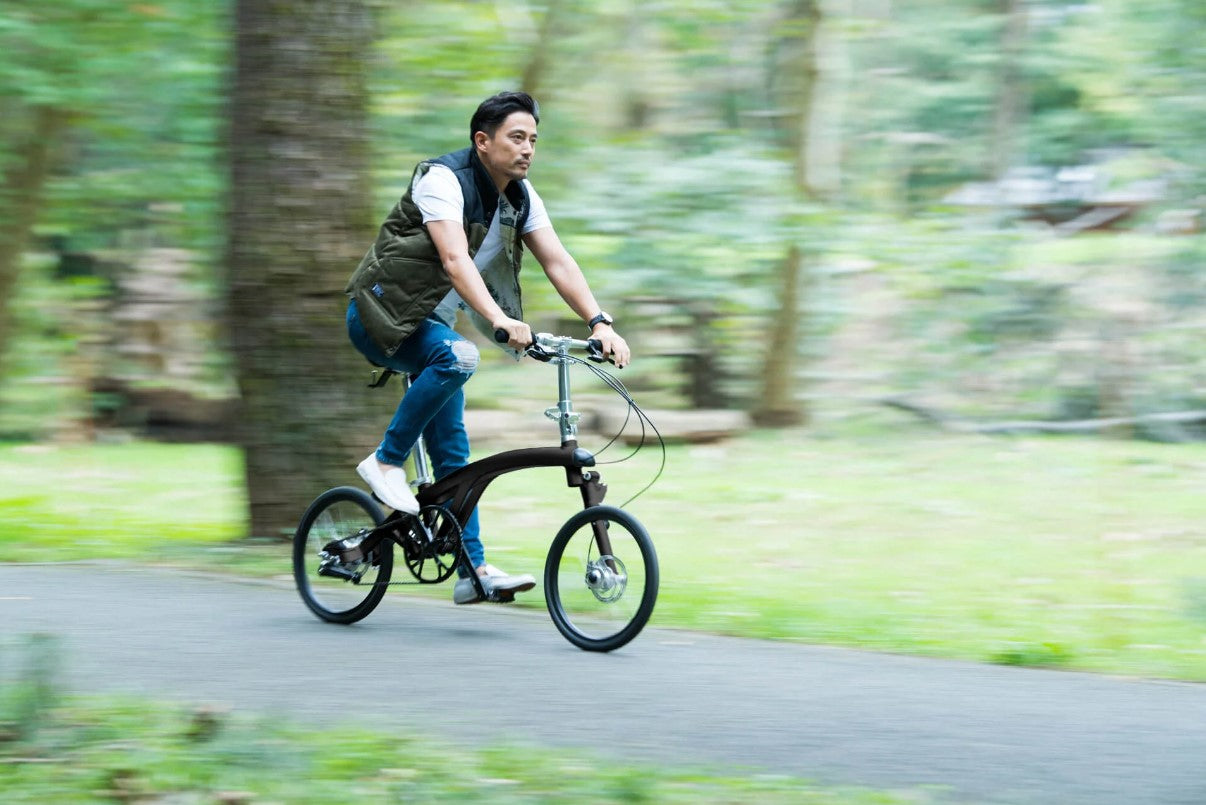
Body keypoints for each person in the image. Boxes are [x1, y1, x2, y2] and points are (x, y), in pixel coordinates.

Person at [344, 91, 630, 605]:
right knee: (459, 356)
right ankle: (387, 462)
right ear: (483, 141)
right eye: (516, 138)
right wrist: (500, 321)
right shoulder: (442, 181)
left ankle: (472, 571)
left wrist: (600, 321)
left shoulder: (521, 197)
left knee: (455, 453)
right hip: (383, 319)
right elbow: (455, 260)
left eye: (534, 140)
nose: (528, 150)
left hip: (435, 329)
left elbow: (558, 261)